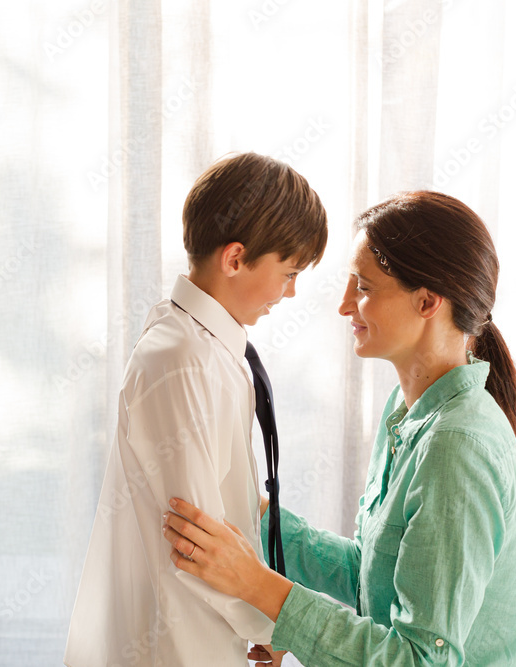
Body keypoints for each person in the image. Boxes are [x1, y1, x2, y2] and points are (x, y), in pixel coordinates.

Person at [162, 191, 516, 665]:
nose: (344, 306)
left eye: (362, 287)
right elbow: (370, 576)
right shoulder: (408, 411)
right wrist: (258, 517)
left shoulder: (457, 446)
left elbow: (419, 659)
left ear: (427, 301)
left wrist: (260, 588)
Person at [64, 153, 328, 666]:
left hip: (199, 637)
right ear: (235, 259)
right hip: (171, 644)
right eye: (289, 272)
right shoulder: (183, 359)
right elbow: (195, 539)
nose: (291, 292)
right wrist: (269, 620)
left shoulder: (207, 349)